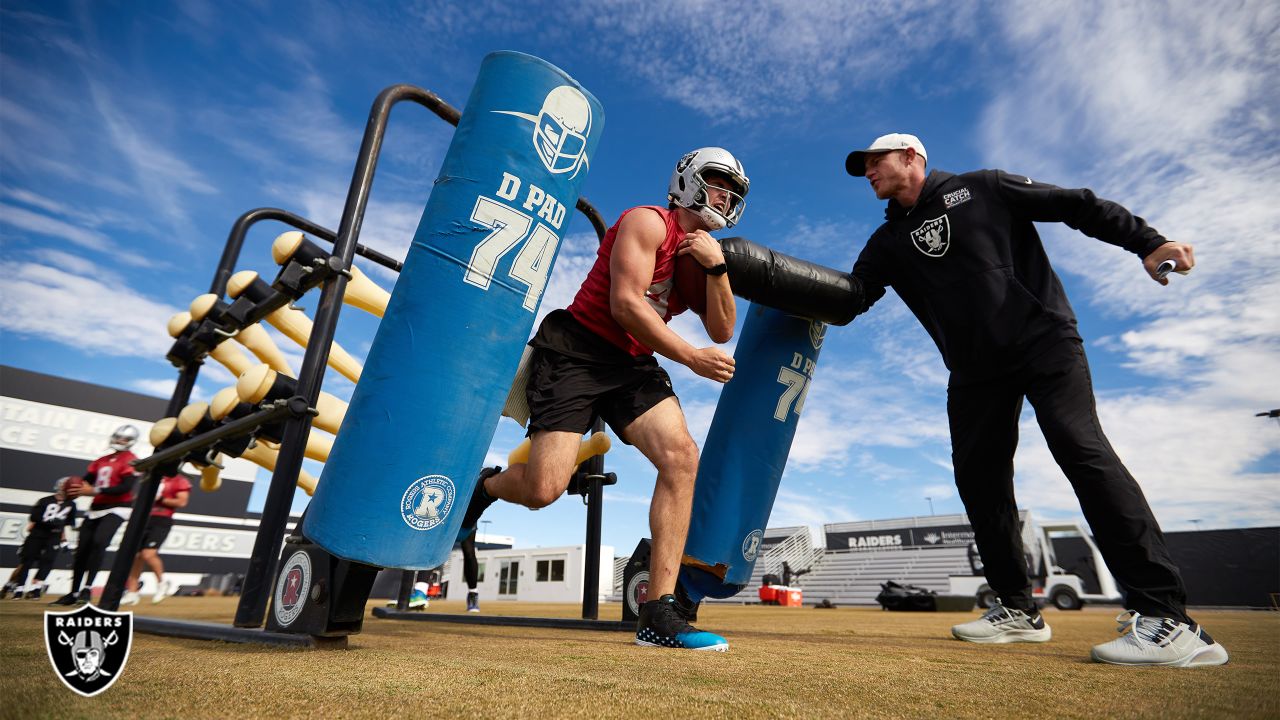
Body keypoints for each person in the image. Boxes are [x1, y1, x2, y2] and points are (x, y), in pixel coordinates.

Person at [840, 133, 1226, 667]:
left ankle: (1168, 618)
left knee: (1080, 448)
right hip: (974, 371)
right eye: (863, 167)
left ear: (912, 157)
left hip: (1042, 340)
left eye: (874, 161)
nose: (868, 172)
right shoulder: (886, 242)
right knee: (980, 481)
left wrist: (1147, 241)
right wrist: (761, 278)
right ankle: (1019, 611)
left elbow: (1076, 205)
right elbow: (852, 297)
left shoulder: (984, 188)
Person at [459, 147, 747, 651]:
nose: (726, 195)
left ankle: (659, 612)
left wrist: (718, 267)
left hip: (632, 363)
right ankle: (486, 487)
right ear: (689, 180)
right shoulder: (647, 221)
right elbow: (626, 303)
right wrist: (690, 359)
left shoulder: (703, 254)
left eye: (733, 191)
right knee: (545, 488)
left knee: (681, 458)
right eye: (718, 182)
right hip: (577, 349)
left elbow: (722, 329)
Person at [51, 425, 141, 606]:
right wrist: (73, 488)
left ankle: (88, 588)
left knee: (99, 543)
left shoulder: (131, 461)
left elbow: (125, 488)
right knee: (82, 549)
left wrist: (94, 490)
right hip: (96, 507)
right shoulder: (101, 460)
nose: (119, 441)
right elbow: (86, 481)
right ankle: (74, 592)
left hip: (117, 508)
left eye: (124, 439)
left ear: (131, 442)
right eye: (118, 437)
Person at [2, 477, 78, 600]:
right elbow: (33, 521)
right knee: (26, 562)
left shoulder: (71, 504)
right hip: (37, 535)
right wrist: (47, 523)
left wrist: (64, 541)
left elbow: (64, 524)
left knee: (47, 561)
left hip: (54, 536)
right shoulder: (45, 501)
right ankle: (16, 587)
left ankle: (35, 589)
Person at [120, 473, 190, 605]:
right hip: (144, 518)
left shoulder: (179, 481)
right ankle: (132, 592)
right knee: (136, 556)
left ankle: (162, 584)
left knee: (148, 554)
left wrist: (161, 499)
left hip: (162, 519)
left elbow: (182, 501)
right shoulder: (152, 478)